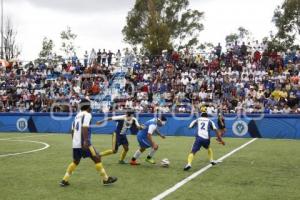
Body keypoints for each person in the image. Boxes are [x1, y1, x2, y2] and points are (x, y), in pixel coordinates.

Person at [60, 99, 117, 186]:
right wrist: (86, 141)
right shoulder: (87, 115)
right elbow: (85, 127)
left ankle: (64, 180)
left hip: (75, 143)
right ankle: (106, 179)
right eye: (90, 105)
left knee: (76, 161)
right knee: (97, 158)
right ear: (88, 106)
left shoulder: (77, 116)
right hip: (84, 142)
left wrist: (75, 141)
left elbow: (72, 130)